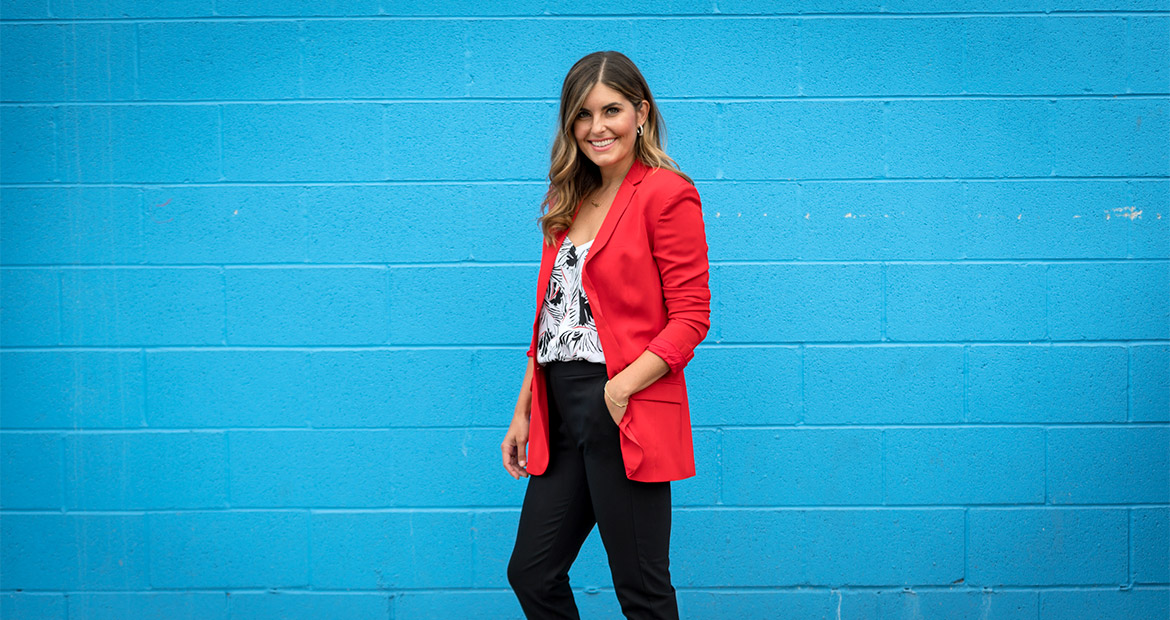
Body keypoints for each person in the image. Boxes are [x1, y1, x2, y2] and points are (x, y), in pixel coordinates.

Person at [501, 50, 711, 620]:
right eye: (583, 114)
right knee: (532, 572)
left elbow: (691, 318)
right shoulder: (566, 200)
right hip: (560, 410)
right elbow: (549, 318)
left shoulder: (666, 193)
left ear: (641, 113)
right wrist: (524, 407)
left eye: (612, 110)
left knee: (641, 591)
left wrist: (618, 391)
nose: (597, 128)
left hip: (624, 408)